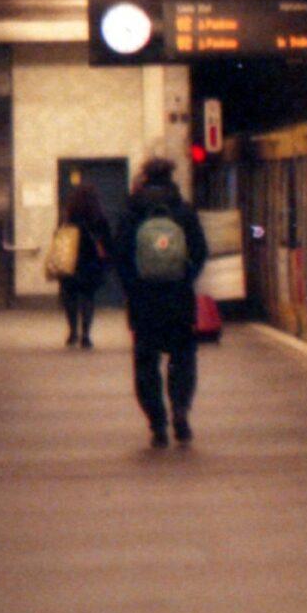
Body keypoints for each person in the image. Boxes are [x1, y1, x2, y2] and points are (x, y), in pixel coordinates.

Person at [117, 155, 209, 447]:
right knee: (183, 358)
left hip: (143, 301)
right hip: (178, 298)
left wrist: (132, 287)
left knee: (146, 362)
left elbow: (121, 256)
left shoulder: (132, 211)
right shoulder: (183, 210)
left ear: (144, 177)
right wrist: (185, 277)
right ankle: (180, 410)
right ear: (171, 177)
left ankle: (157, 422)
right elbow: (200, 250)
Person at [57, 182, 114, 349]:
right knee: (88, 297)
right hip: (91, 263)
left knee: (70, 296)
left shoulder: (67, 217)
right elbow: (107, 240)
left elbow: (57, 236)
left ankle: (72, 332)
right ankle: (86, 335)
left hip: (70, 261)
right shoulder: (99, 218)